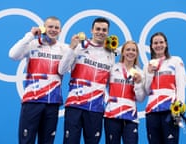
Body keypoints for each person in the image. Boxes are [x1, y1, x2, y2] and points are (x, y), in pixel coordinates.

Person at [9, 16, 69, 144]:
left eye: (56, 27)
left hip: (52, 102)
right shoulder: (32, 44)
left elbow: (66, 69)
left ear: (60, 30)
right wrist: (30, 35)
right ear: (43, 28)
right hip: (32, 101)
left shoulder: (64, 48)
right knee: (26, 140)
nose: (53, 30)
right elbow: (13, 55)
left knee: (47, 141)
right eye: (50, 27)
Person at [58, 17, 115, 144]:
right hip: (75, 105)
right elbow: (62, 70)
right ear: (92, 30)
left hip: (96, 108)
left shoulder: (110, 54)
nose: (101, 32)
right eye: (98, 29)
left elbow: (109, 82)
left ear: (108, 32)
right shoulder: (79, 47)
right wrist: (71, 48)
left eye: (104, 30)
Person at [143, 32, 186, 144]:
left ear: (166, 44)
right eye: (155, 43)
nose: (158, 45)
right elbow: (147, 91)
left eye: (161, 42)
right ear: (151, 46)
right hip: (152, 112)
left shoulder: (176, 61)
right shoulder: (147, 65)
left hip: (170, 110)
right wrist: (149, 73)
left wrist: (179, 107)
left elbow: (181, 85)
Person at [103, 40, 146, 144]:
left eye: (133, 50)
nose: (130, 52)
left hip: (131, 117)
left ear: (137, 54)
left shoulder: (140, 73)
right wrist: (107, 100)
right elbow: (102, 86)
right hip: (112, 115)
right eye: (128, 49)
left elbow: (140, 99)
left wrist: (138, 84)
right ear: (122, 52)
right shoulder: (113, 68)